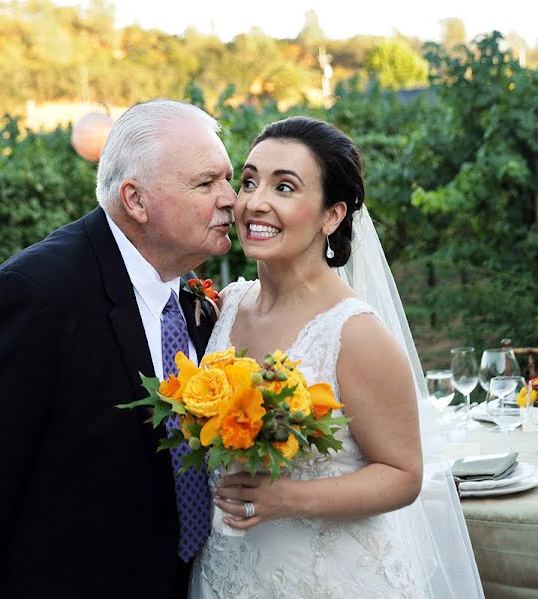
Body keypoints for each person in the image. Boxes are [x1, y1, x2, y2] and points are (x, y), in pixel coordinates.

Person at [0, 100, 237, 598]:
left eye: (228, 179)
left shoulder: (187, 291)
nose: (230, 199)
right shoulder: (33, 296)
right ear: (136, 200)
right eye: (206, 183)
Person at [191, 117, 483, 598]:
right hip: (229, 572)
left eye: (284, 186)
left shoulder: (356, 334)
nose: (254, 201)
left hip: (327, 578)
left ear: (332, 215)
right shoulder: (227, 305)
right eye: (248, 181)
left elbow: (403, 476)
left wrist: (283, 498)